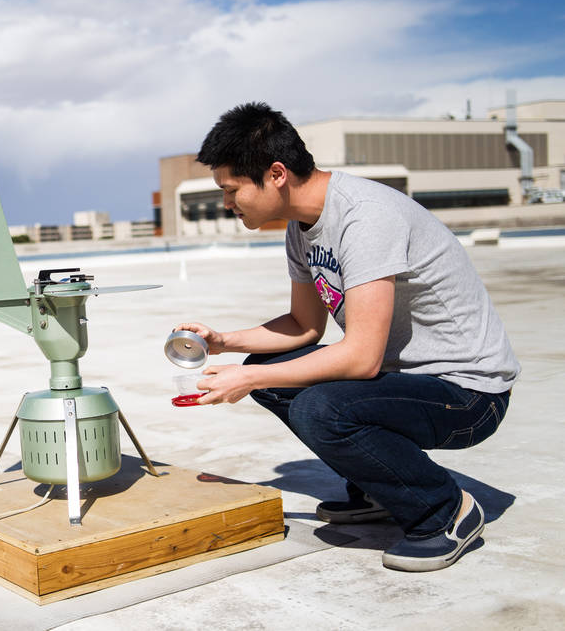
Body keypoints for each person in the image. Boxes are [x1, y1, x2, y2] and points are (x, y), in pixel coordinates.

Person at [177, 102, 519, 572]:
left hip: (467, 393)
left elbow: (360, 359)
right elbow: (305, 326)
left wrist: (245, 379)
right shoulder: (302, 226)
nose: (226, 203)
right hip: (406, 382)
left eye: (232, 190)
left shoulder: (365, 217)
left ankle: (445, 512)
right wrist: (224, 342)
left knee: (320, 407)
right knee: (270, 372)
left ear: (276, 174)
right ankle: (380, 487)